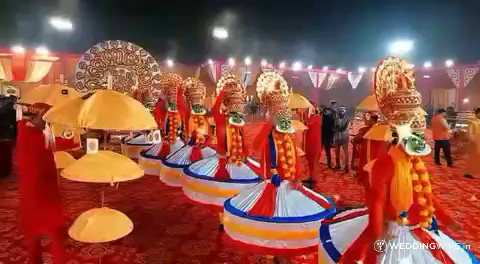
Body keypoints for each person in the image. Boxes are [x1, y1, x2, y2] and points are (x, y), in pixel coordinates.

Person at [17, 103, 66, 264]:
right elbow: (39, 167)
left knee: (34, 232)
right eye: (45, 119)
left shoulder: (26, 131)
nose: (47, 123)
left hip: (31, 191)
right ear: (39, 115)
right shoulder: (33, 136)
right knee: (55, 231)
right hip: (42, 191)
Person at [465, 107, 480, 179]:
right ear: (477, 113)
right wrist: (472, 140)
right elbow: (470, 133)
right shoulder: (472, 121)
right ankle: (470, 173)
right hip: (474, 141)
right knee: (474, 157)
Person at [334, 106, 350, 172]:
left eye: (343, 111)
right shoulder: (336, 119)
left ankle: (346, 167)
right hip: (337, 137)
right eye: (340, 110)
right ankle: (338, 165)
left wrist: (337, 128)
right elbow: (334, 127)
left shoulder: (347, 119)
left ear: (345, 112)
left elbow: (342, 128)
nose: (341, 112)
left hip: (344, 138)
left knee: (345, 152)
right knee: (336, 151)